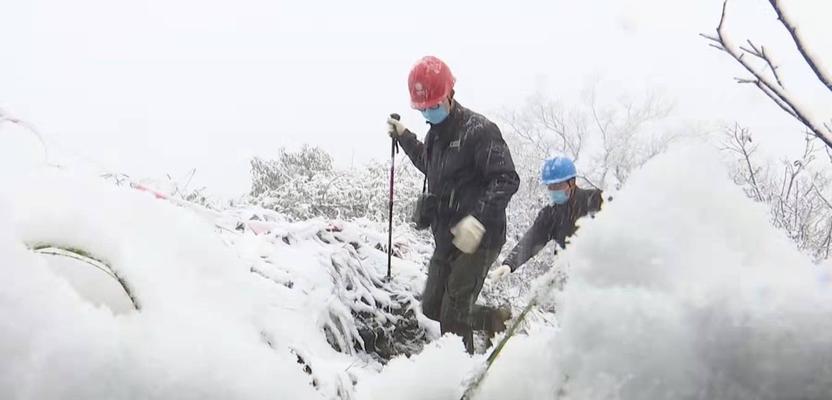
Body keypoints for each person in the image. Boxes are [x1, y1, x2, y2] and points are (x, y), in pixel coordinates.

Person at [387, 56, 519, 353]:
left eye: (434, 104)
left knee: (453, 313)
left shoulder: (480, 130)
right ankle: (494, 319)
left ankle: (462, 376)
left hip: (480, 238)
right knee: (433, 306)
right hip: (447, 235)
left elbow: (507, 179)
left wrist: (478, 219)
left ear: (450, 94)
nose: (429, 112)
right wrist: (405, 136)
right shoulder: (434, 137)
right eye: (424, 108)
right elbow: (428, 163)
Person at [488, 156, 604, 280]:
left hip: (602, 272)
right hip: (570, 278)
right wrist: (509, 264)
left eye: (558, 185)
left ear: (572, 182)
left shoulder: (597, 200)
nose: (553, 190)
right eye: (550, 186)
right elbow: (532, 240)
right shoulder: (551, 214)